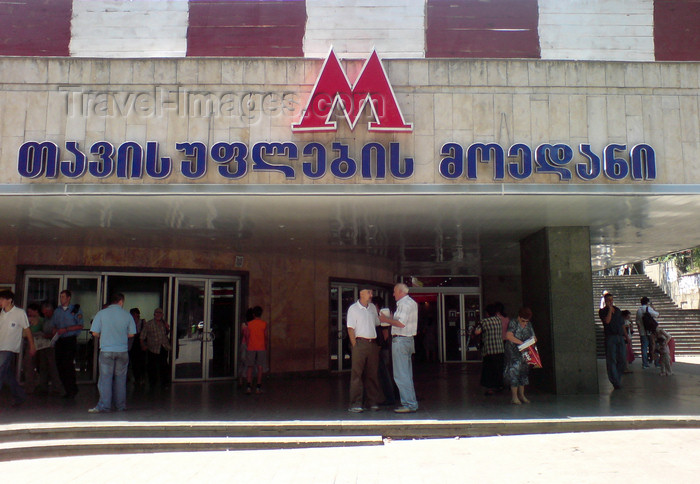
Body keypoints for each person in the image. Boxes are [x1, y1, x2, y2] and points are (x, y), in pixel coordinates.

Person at [88, 293, 136, 413]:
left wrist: (104, 335)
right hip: (122, 351)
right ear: (121, 301)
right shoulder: (127, 315)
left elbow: (94, 332)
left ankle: (105, 405)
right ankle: (120, 406)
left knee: (105, 379)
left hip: (106, 350)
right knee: (121, 379)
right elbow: (132, 334)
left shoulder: (101, 314)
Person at [379, 283, 418, 413]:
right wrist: (391, 318)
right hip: (408, 340)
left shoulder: (404, 304)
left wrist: (385, 319)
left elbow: (401, 323)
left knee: (401, 374)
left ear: (401, 292)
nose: (393, 294)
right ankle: (410, 402)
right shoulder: (411, 303)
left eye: (395, 292)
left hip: (401, 340)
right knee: (406, 373)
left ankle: (408, 404)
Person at [346, 288, 382, 413]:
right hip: (360, 343)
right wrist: (355, 345)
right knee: (357, 374)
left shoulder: (372, 307)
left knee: (372, 374)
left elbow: (377, 323)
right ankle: (355, 403)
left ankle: (372, 402)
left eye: (372, 292)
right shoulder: (353, 309)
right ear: (361, 294)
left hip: (372, 343)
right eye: (369, 293)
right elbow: (350, 328)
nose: (371, 295)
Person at [0, 290, 36, 407]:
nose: (0, 302)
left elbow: (27, 330)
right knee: (7, 374)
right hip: (0, 346)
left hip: (9, 348)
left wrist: (32, 345)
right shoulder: (1, 314)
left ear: (10, 300)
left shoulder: (19, 313)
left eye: (2, 299)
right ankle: (20, 396)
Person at [51, 290, 84, 399]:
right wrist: (55, 331)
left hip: (70, 339)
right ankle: (65, 389)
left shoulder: (75, 310)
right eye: (60, 296)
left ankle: (72, 389)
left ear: (69, 298)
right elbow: (54, 325)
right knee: (59, 365)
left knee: (68, 364)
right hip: (60, 340)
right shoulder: (57, 311)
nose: (61, 299)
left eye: (63, 296)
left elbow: (80, 326)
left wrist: (66, 329)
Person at [504, 307, 536, 404]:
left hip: (524, 353)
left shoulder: (528, 325)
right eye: (523, 321)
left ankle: (522, 395)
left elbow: (534, 337)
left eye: (526, 321)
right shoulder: (513, 323)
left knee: (523, 373)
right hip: (513, 352)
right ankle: (514, 397)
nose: (524, 323)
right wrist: (522, 343)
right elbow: (509, 336)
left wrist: (530, 343)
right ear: (519, 317)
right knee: (514, 373)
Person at [474, 303, 505, 395]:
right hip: (500, 348)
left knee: (489, 370)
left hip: (489, 350)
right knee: (498, 369)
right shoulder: (499, 320)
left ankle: (490, 388)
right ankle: (499, 385)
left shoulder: (484, 322)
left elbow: (477, 332)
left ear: (487, 313)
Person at [599, 293, 626, 390]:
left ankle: (617, 378)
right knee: (612, 360)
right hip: (610, 337)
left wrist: (626, 336)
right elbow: (607, 321)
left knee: (622, 359)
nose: (611, 301)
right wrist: (610, 310)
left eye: (612, 299)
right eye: (608, 300)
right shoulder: (602, 311)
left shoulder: (618, 310)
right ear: (605, 301)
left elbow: (622, 324)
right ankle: (615, 381)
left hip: (619, 336)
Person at [140, 308, 171, 391]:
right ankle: (152, 383)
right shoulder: (149, 324)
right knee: (152, 367)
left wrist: (167, 328)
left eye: (160, 313)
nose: (158, 314)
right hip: (153, 349)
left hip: (163, 347)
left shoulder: (163, 324)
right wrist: (143, 345)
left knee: (164, 366)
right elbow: (142, 336)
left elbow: (166, 333)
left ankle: (164, 383)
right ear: (154, 314)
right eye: (157, 313)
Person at [372, 295, 395, 406]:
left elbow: (385, 333)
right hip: (382, 348)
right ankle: (388, 396)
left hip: (382, 349)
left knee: (384, 373)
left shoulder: (381, 315)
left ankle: (389, 397)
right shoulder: (377, 316)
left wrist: (380, 346)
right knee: (383, 373)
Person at [38, 302, 64, 395]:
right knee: (43, 366)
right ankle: (43, 387)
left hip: (53, 345)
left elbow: (57, 333)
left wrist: (47, 335)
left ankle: (56, 387)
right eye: (43, 313)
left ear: (51, 310)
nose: (45, 314)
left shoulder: (56, 319)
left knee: (53, 367)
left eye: (46, 312)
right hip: (44, 344)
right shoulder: (46, 319)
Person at [245, 306, 269, 394]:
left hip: (251, 346)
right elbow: (266, 337)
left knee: (250, 366)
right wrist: (265, 345)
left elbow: (247, 336)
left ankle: (248, 386)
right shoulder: (264, 324)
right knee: (260, 367)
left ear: (253, 314)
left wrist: (248, 344)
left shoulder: (249, 324)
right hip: (261, 347)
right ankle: (258, 387)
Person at [635, 297, 658, 369]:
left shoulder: (638, 310)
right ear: (647, 302)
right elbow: (657, 314)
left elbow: (637, 322)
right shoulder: (648, 309)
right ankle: (656, 362)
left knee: (644, 348)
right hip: (650, 332)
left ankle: (645, 363)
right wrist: (653, 307)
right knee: (654, 346)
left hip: (642, 332)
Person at [128, 308, 146, 389]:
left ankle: (141, 377)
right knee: (134, 362)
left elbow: (145, 333)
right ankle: (137, 378)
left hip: (140, 344)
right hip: (132, 345)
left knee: (141, 362)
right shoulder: (129, 323)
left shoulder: (142, 322)